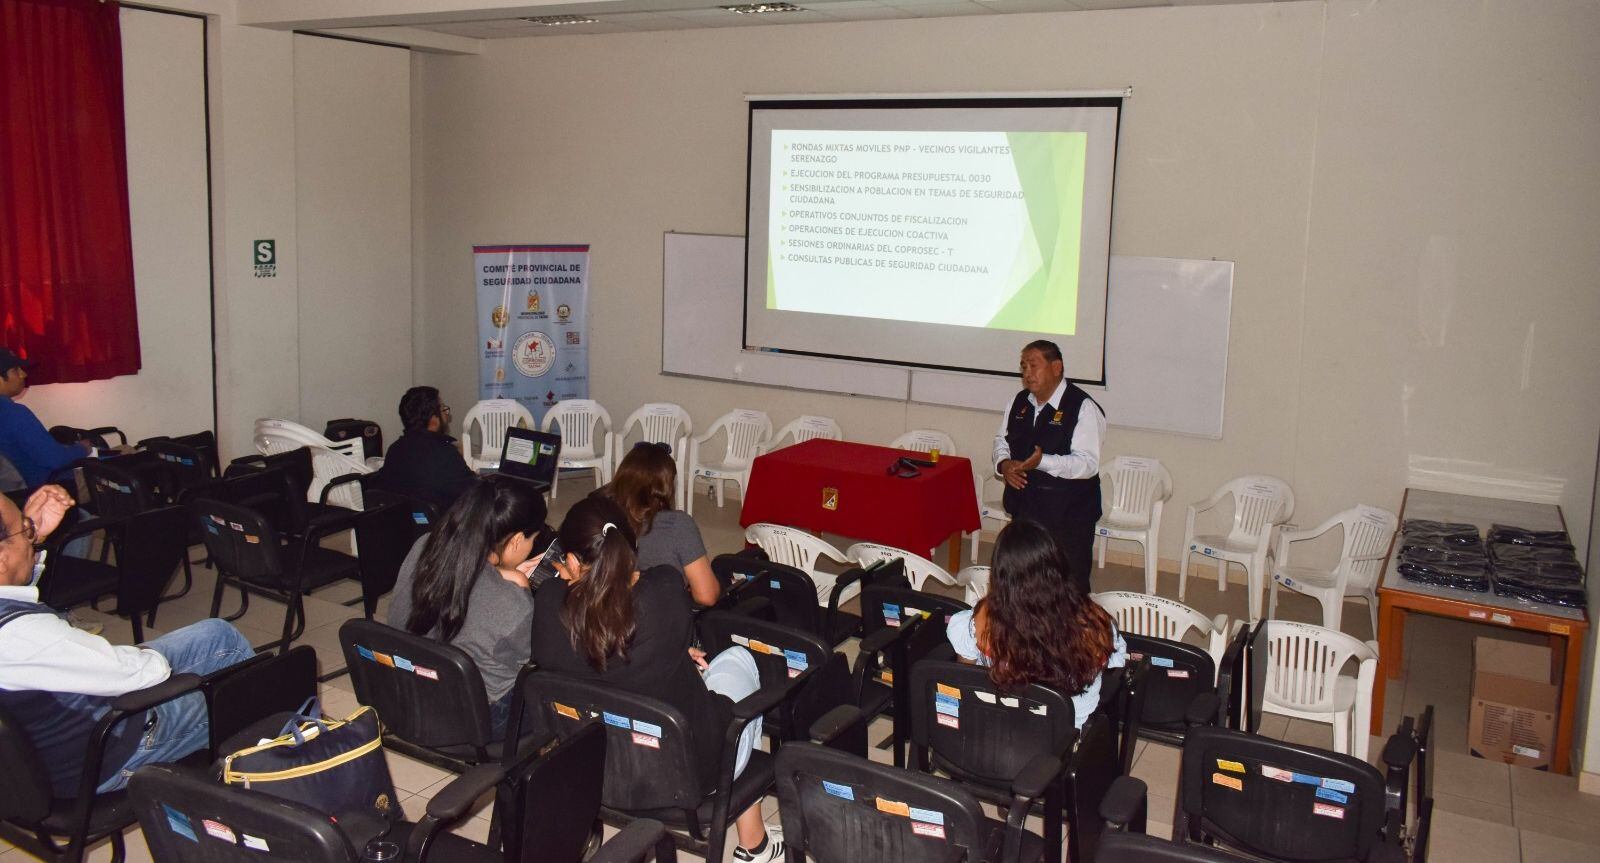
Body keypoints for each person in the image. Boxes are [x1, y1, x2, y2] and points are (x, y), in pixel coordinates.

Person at [531, 496, 782, 863]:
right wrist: (676, 653)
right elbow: (631, 633)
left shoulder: (548, 605)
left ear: (570, 562)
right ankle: (755, 845)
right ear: (631, 549)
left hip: (589, 768)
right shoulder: (663, 591)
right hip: (688, 777)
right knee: (738, 659)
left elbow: (600, 640)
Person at [0, 484, 254, 796]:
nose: (31, 535)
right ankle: (292, 765)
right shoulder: (24, 635)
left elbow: (13, 593)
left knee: (219, 635)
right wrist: (140, 658)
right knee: (254, 696)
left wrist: (32, 538)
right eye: (24, 530)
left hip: (37, 752)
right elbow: (146, 674)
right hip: (103, 756)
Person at [387, 475, 546, 739]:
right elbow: (535, 662)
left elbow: (469, 580)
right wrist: (521, 588)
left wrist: (501, 573)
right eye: (533, 540)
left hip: (406, 694)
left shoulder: (424, 546)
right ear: (517, 540)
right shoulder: (511, 601)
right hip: (472, 717)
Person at [946, 519, 1126, 728]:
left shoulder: (982, 619)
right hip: (1064, 740)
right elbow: (1113, 664)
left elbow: (965, 675)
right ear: (1059, 567)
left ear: (1000, 576)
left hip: (997, 731)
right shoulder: (1094, 621)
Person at [991, 339, 1106, 592]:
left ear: (1057, 368)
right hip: (1025, 511)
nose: (1027, 373)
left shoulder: (1083, 407)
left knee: (1067, 588)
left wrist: (1043, 462)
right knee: (1023, 583)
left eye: (1034, 365)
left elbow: (1087, 464)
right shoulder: (1019, 402)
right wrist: (1004, 463)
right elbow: (1001, 440)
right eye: (1023, 367)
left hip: (1068, 518)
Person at [603, 442, 720, 606]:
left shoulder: (598, 515)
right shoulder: (677, 524)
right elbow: (707, 596)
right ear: (667, 486)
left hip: (605, 614)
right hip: (658, 620)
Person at [367, 386, 477, 512]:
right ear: (433, 420)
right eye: (443, 410)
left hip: (407, 526)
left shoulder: (395, 449)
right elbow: (474, 492)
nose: (446, 416)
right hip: (442, 527)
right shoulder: (444, 453)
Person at [0, 347, 97, 488]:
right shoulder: (15, 414)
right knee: (129, 459)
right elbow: (55, 459)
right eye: (16, 370)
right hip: (48, 488)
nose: (23, 374)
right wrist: (82, 448)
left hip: (15, 494)